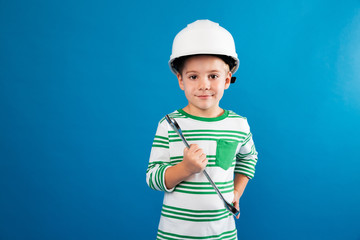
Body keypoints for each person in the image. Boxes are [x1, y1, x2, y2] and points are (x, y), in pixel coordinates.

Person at [146, 19, 258, 239]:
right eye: (193, 76)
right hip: (174, 234)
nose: (204, 84)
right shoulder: (168, 125)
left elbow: (249, 158)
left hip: (222, 233)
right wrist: (185, 168)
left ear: (227, 80)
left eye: (213, 76)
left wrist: (237, 191)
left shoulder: (238, 125)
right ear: (181, 80)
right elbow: (152, 178)